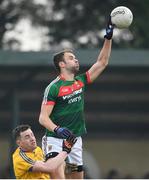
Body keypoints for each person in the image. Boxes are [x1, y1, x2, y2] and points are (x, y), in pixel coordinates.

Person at [39, 16, 114, 179]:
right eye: (71, 58)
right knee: (58, 175)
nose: (76, 59)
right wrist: (58, 129)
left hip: (75, 140)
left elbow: (102, 62)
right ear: (62, 64)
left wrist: (108, 37)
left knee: (76, 177)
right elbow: (43, 118)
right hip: (55, 140)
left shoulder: (80, 81)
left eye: (75, 57)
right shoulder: (54, 87)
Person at [12, 124, 76, 179]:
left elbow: (50, 165)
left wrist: (67, 166)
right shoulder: (20, 158)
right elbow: (49, 167)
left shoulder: (38, 149)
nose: (32, 139)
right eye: (27, 137)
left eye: (32, 135)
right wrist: (65, 151)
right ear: (19, 143)